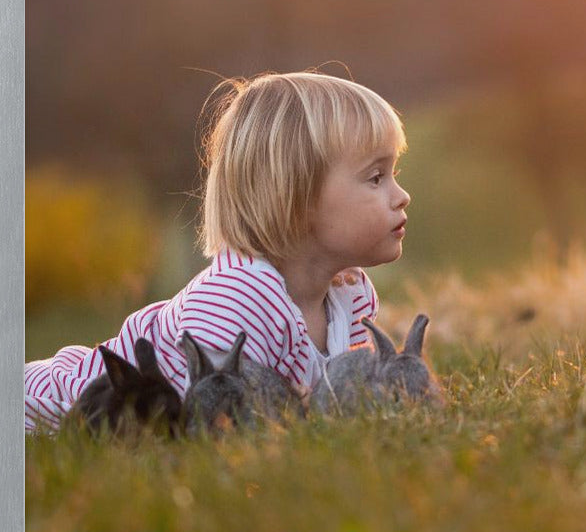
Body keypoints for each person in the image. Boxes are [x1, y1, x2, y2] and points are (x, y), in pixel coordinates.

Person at [25, 71, 411, 432]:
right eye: (376, 177)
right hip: (41, 403)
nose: (401, 197)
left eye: (394, 174)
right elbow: (200, 422)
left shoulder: (351, 296)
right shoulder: (235, 301)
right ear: (295, 196)